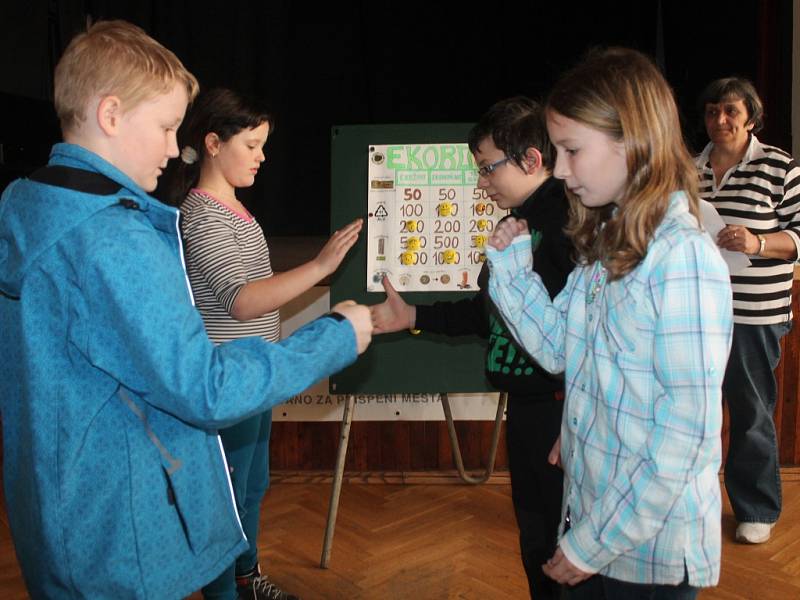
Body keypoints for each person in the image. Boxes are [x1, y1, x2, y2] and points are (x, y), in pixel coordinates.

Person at [0, 20, 372, 600]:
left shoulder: (26, 204)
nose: (177, 148)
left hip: (58, 520)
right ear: (112, 114)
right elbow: (205, 389)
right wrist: (336, 336)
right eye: (168, 127)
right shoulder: (111, 239)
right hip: (116, 542)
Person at [485, 48, 733, 599]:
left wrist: (593, 543)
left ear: (632, 141)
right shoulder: (606, 245)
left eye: (572, 150)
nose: (562, 170)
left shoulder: (681, 259)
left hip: (643, 553)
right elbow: (560, 351)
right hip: (598, 519)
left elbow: (685, 436)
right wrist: (512, 271)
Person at [370, 96, 573, 599]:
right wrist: (414, 316)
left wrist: (575, 415)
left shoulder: (570, 222)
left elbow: (584, 335)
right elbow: (489, 313)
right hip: (528, 410)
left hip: (559, 413)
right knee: (537, 541)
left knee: (566, 550)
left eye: (487, 169)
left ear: (530, 159)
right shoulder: (520, 220)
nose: (481, 183)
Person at [163, 87, 362, 600]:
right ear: (212, 143)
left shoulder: (232, 209)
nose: (262, 156)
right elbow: (243, 301)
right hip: (226, 383)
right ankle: (225, 591)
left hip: (250, 380)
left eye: (263, 145)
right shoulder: (202, 215)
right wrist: (319, 267)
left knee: (250, 490)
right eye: (251, 144)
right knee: (226, 500)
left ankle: (246, 579)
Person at [695, 77, 800, 545]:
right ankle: (694, 505)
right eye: (712, 111)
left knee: (751, 410)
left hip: (753, 314)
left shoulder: (780, 167)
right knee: (693, 412)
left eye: (731, 112)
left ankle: (756, 507)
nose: (720, 121)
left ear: (751, 118)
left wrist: (757, 242)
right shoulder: (686, 168)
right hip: (692, 315)